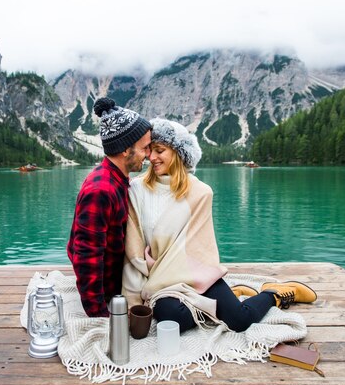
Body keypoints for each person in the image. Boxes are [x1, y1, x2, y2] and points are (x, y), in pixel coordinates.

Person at [122, 118, 317, 333]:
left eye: (160, 150)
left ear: (178, 153)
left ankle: (274, 294)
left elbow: (200, 248)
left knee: (240, 321)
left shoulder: (200, 192)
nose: (151, 157)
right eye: (150, 150)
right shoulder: (136, 189)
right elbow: (133, 250)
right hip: (159, 279)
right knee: (173, 319)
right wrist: (132, 302)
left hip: (195, 272)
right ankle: (230, 296)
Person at [67, 97, 152, 317]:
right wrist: (99, 315)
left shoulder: (118, 180)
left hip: (121, 287)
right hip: (107, 297)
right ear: (125, 150)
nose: (149, 155)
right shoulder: (101, 190)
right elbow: (86, 258)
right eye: (145, 148)